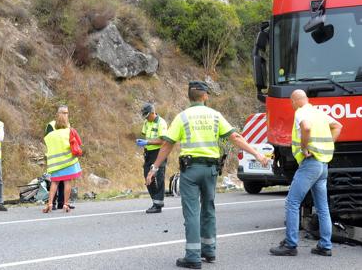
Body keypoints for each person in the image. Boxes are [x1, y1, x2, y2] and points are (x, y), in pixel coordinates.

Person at [146, 81, 270, 269]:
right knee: (209, 209)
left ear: (189, 96)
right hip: (210, 170)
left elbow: (167, 144)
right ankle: (209, 251)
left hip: (190, 170)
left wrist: (154, 168)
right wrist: (257, 154)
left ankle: (193, 257)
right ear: (205, 96)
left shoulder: (182, 117)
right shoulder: (215, 116)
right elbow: (235, 137)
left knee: (192, 212)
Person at [269, 89, 342, 257]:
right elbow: (338, 126)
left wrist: (304, 147)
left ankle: (290, 244)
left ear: (294, 101)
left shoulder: (301, 112)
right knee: (322, 207)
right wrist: (326, 145)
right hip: (323, 164)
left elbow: (306, 128)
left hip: (310, 163)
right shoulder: (319, 113)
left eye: (291, 103)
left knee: (292, 203)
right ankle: (325, 246)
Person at [43, 105, 82, 213]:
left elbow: (48, 141)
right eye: (64, 113)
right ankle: (59, 203)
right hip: (66, 160)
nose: (66, 115)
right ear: (59, 113)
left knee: (55, 182)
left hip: (55, 161)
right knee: (65, 182)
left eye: (67, 113)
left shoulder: (66, 126)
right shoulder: (52, 126)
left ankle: (57, 203)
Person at [136, 102, 168, 213]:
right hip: (148, 153)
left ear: (153, 112)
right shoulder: (146, 122)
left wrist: (147, 142)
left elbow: (163, 140)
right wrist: (142, 142)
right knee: (147, 176)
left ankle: (158, 205)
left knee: (158, 176)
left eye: (147, 115)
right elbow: (146, 135)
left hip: (159, 152)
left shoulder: (161, 122)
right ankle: (156, 200)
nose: (146, 118)